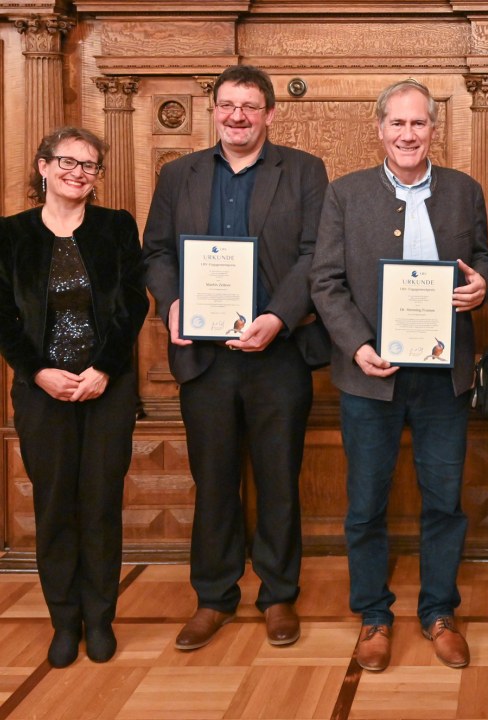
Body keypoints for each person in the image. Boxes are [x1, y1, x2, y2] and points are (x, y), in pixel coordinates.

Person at [310, 79, 488, 672]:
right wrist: (358, 345)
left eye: (418, 124)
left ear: (433, 129)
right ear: (379, 128)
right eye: (397, 124)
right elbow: (326, 281)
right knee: (365, 502)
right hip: (371, 375)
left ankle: (439, 611)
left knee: (445, 501)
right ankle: (373, 616)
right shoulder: (345, 194)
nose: (407, 134)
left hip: (445, 377)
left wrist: (481, 284)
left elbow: (486, 258)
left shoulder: (465, 191)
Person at [144, 65, 330, 651]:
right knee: (215, 480)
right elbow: (156, 253)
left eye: (250, 106)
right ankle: (214, 597)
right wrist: (171, 303)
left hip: (278, 353)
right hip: (205, 358)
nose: (237, 116)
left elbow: (314, 254)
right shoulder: (179, 175)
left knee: (278, 481)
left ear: (270, 114)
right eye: (227, 105)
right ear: (214, 110)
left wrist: (278, 316)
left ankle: (278, 596)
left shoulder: (303, 171)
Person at [0, 127, 148, 667]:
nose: (77, 172)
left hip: (105, 388)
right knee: (56, 505)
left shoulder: (115, 227)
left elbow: (133, 303)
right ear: (43, 167)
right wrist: (39, 371)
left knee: (102, 504)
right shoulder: (11, 234)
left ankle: (101, 619)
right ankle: (65, 621)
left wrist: (104, 369)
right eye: (67, 162)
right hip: (42, 394)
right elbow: (4, 318)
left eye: (89, 166)